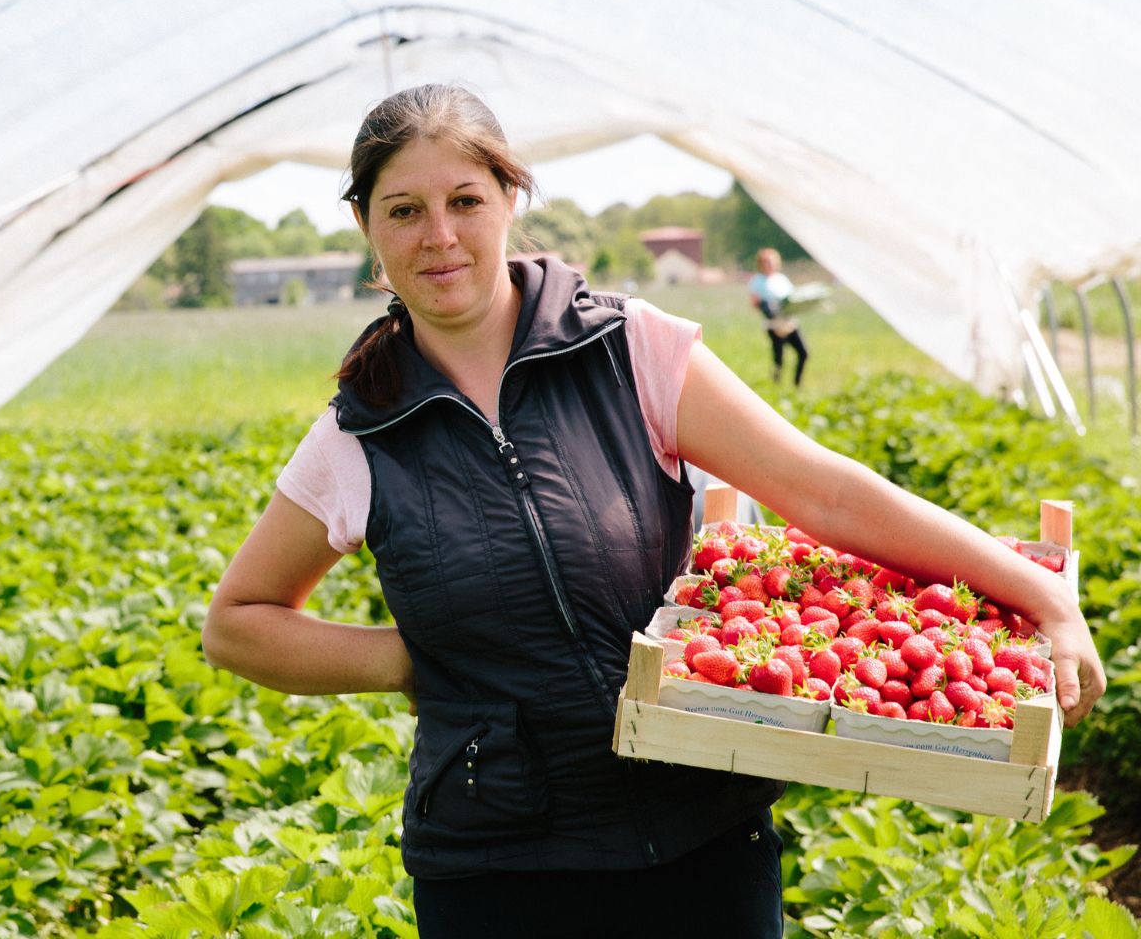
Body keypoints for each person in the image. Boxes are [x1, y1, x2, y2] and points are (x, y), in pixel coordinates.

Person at [198, 84, 1105, 938]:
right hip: (494, 869)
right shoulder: (360, 432)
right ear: (365, 227)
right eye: (403, 210)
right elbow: (239, 625)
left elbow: (822, 489)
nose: (440, 236)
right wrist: (415, 661)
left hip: (701, 841)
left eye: (466, 200)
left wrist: (1039, 593)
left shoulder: (630, 349)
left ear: (511, 199)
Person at [748, 247, 808, 386]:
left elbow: (793, 297)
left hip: (789, 322)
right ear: (760, 264)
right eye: (765, 262)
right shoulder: (757, 281)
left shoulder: (782, 279)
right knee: (779, 358)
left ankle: (797, 384)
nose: (769, 265)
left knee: (803, 353)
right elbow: (755, 302)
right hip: (774, 324)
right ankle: (776, 385)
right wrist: (766, 306)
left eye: (771, 262)